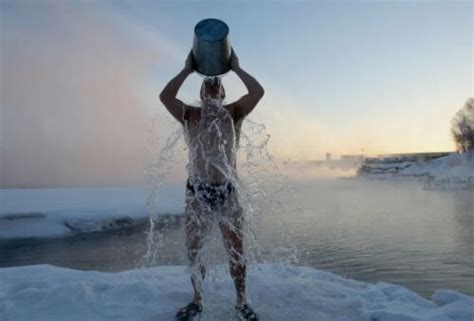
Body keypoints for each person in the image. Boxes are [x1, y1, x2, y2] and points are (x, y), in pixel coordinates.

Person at [159, 49, 264, 321]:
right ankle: (197, 300)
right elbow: (165, 97)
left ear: (223, 95)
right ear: (202, 94)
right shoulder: (189, 114)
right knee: (194, 251)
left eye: (217, 86)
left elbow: (257, 92)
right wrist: (186, 70)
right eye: (208, 86)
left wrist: (237, 68)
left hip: (227, 193)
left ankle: (241, 302)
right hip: (198, 193)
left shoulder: (234, 113)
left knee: (236, 252)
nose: (213, 87)